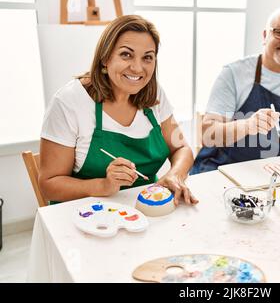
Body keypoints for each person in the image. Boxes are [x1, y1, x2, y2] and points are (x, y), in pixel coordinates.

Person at [39, 15, 198, 206]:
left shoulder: (154, 94)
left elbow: (181, 148)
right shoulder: (69, 102)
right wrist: (103, 186)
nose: (138, 68)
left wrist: (174, 175)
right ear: (105, 58)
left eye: (147, 57)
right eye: (126, 54)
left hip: (144, 209)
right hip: (84, 215)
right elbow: (48, 185)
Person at [191, 7, 280, 174]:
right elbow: (209, 134)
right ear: (265, 36)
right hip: (220, 171)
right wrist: (248, 125)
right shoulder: (234, 73)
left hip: (272, 175)